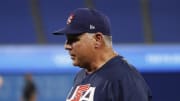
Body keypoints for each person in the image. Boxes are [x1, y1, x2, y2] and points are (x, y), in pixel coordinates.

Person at [53, 8, 152, 101]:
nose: (66, 46)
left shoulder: (125, 78)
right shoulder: (81, 76)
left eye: (73, 39)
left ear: (97, 39)